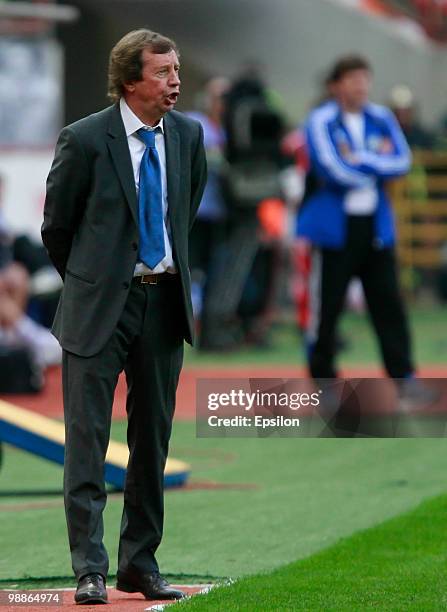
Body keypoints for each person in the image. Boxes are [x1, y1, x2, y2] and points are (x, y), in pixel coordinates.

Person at [42, 29, 206, 604]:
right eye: (163, 72)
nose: (175, 81)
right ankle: (89, 568)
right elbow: (57, 227)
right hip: (97, 307)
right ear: (130, 80)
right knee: (87, 441)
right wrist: (95, 281)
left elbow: (184, 212)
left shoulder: (188, 136)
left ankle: (140, 563)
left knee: (152, 440)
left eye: (176, 70)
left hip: (163, 305)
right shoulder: (84, 139)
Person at [297, 54, 426, 404]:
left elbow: (402, 161)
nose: (361, 86)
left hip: (376, 227)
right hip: (334, 230)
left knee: (389, 304)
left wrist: (363, 161)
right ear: (336, 85)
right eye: (352, 79)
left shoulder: (381, 118)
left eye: (364, 78)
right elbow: (330, 168)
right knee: (328, 307)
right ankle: (324, 382)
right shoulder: (322, 119)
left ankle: (404, 377)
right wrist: (373, 169)